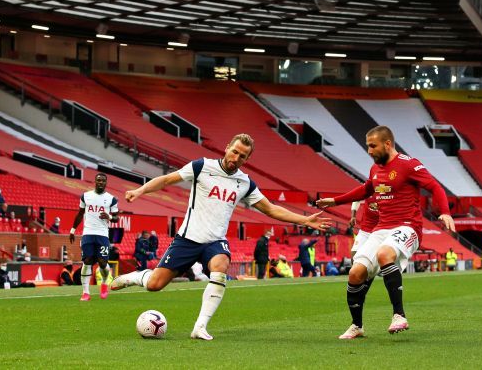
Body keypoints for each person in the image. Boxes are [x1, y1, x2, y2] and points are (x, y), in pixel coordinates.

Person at [110, 133, 330, 341]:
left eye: (242, 156)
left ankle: (200, 327)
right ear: (227, 148)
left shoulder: (245, 183)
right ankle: (135, 277)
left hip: (215, 241)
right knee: (155, 285)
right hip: (187, 238)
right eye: (234, 152)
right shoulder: (202, 166)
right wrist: (140, 191)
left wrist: (304, 220)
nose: (236, 158)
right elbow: (167, 180)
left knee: (221, 264)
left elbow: (271, 209)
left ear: (247, 158)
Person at [316, 125, 455, 339]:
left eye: (373, 146)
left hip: (408, 226)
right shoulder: (375, 169)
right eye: (367, 146)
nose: (369, 151)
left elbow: (435, 187)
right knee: (355, 273)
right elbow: (366, 189)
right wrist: (335, 200)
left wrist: (445, 212)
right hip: (381, 229)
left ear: (387, 144)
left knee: (384, 254)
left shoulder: (409, 165)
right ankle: (357, 325)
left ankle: (399, 315)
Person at [69, 173, 118, 301]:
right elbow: (80, 213)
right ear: (95, 182)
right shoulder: (86, 196)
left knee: (102, 263)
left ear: (106, 183)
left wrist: (110, 217)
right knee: (87, 261)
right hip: (88, 233)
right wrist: (73, 230)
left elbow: (116, 217)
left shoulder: (111, 199)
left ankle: (104, 283)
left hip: (102, 234)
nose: (100, 182)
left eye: (103, 181)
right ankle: (85, 293)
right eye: (98, 180)